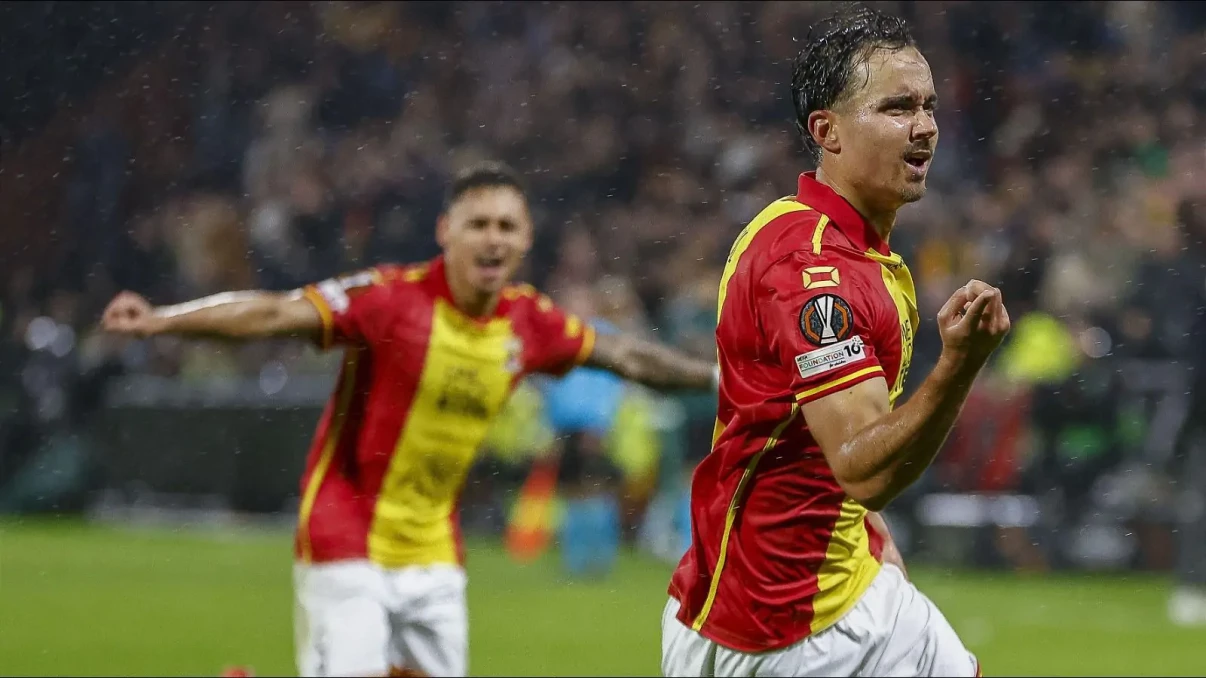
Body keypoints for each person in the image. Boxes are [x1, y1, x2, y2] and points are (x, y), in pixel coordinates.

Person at [101, 161, 719, 678]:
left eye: (507, 226)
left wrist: (717, 378)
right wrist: (162, 320)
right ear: (445, 231)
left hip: (434, 550)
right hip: (346, 535)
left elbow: (623, 354)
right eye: (478, 224)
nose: (493, 239)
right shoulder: (390, 299)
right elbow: (275, 313)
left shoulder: (529, 321)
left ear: (526, 239)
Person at [661, 7, 1009, 677]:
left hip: (831, 578)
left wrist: (871, 537)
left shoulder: (832, 242)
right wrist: (961, 365)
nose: (925, 126)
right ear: (828, 132)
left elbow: (815, 443)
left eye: (929, 105)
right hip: (786, 623)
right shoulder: (812, 270)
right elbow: (861, 467)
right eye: (897, 108)